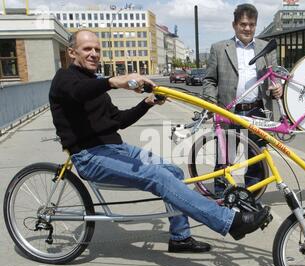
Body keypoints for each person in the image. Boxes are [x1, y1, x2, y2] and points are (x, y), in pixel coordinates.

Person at [48, 30, 271, 253]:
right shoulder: (64, 80)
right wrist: (114, 81)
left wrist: (148, 102)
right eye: (87, 49)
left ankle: (180, 238)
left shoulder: (94, 84)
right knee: (157, 176)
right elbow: (78, 93)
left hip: (117, 149)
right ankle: (230, 221)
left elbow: (119, 121)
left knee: (172, 171)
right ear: (71, 52)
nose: (94, 54)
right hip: (90, 156)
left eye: (97, 49)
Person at [203, 4, 283, 194]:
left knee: (256, 158)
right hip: (229, 112)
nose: (247, 28)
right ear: (235, 25)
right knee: (225, 158)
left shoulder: (267, 48)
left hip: (258, 112)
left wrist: (278, 87)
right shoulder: (219, 48)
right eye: (243, 24)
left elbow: (275, 75)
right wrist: (211, 104)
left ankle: (252, 197)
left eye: (252, 25)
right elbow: (209, 80)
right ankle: (221, 198)